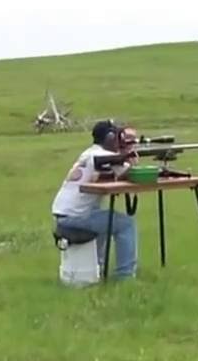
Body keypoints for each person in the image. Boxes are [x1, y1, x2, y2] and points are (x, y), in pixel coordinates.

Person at [50, 119, 140, 279]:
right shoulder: (103, 155)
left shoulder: (90, 152)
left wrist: (124, 155)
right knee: (126, 224)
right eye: (118, 136)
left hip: (65, 213)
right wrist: (130, 159)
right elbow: (126, 173)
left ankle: (98, 268)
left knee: (105, 218)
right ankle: (125, 275)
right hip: (76, 216)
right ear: (110, 138)